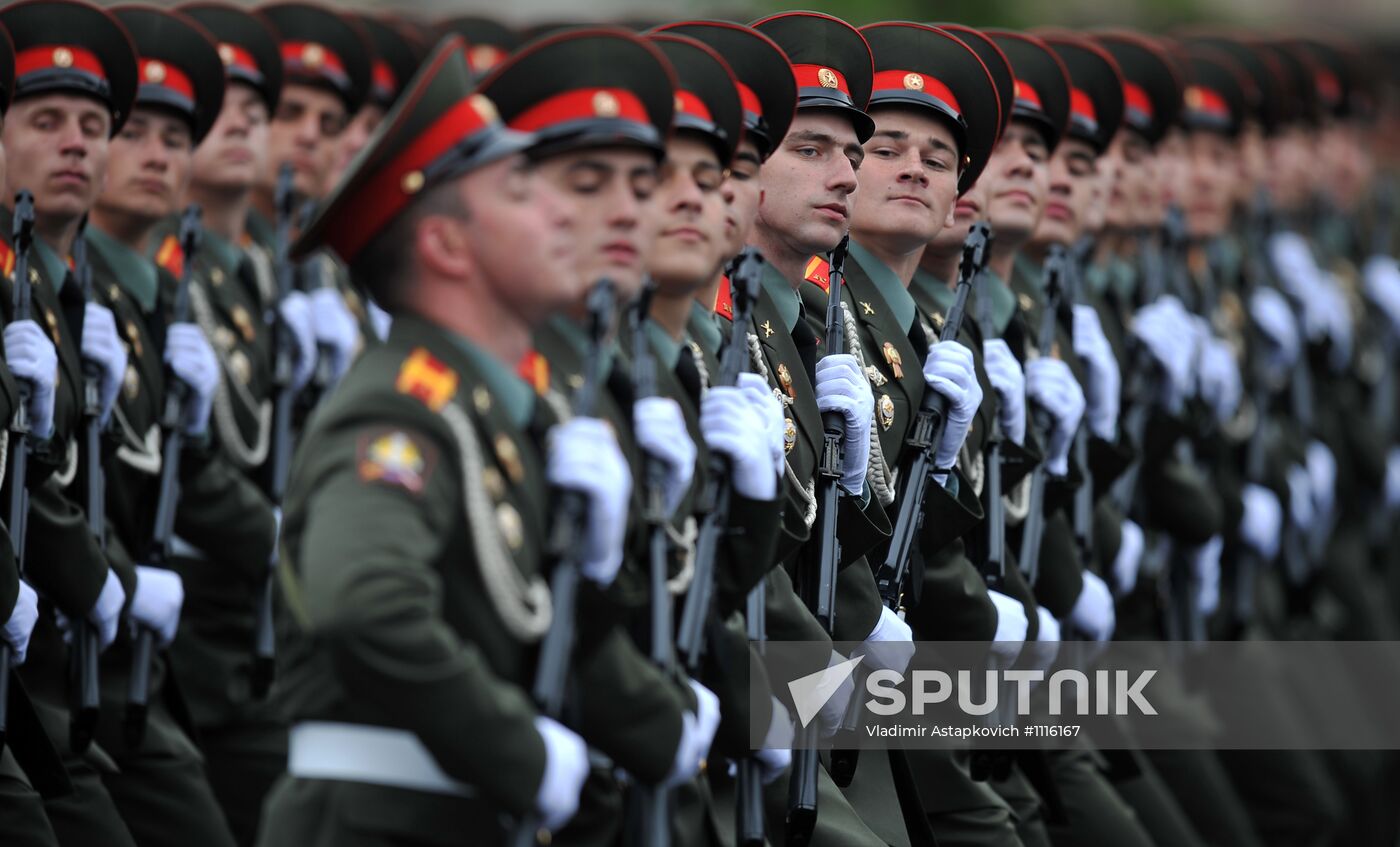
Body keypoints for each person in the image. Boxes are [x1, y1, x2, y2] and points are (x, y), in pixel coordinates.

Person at [260, 36, 619, 846]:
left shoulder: (481, 407)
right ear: (447, 244)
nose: (567, 211)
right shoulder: (402, 412)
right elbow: (367, 602)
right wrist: (518, 752)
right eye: (522, 191)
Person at [79, 7, 235, 845]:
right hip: (75, 650)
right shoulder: (72, 289)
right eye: (132, 131)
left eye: (175, 139)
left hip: (140, 660)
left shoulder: (147, 300)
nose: (156, 156)